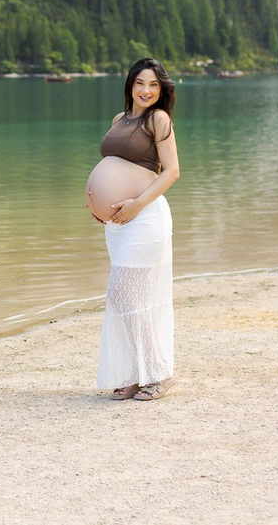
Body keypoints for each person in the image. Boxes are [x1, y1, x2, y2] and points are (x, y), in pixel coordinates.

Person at [84, 57, 180, 401]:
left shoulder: (159, 119)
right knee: (127, 299)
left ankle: (159, 372)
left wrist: (137, 203)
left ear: (161, 90)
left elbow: (171, 171)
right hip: (119, 225)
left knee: (125, 293)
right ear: (130, 85)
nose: (146, 90)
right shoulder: (119, 119)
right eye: (141, 83)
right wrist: (98, 206)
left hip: (146, 217)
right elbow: (113, 165)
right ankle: (136, 375)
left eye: (153, 85)